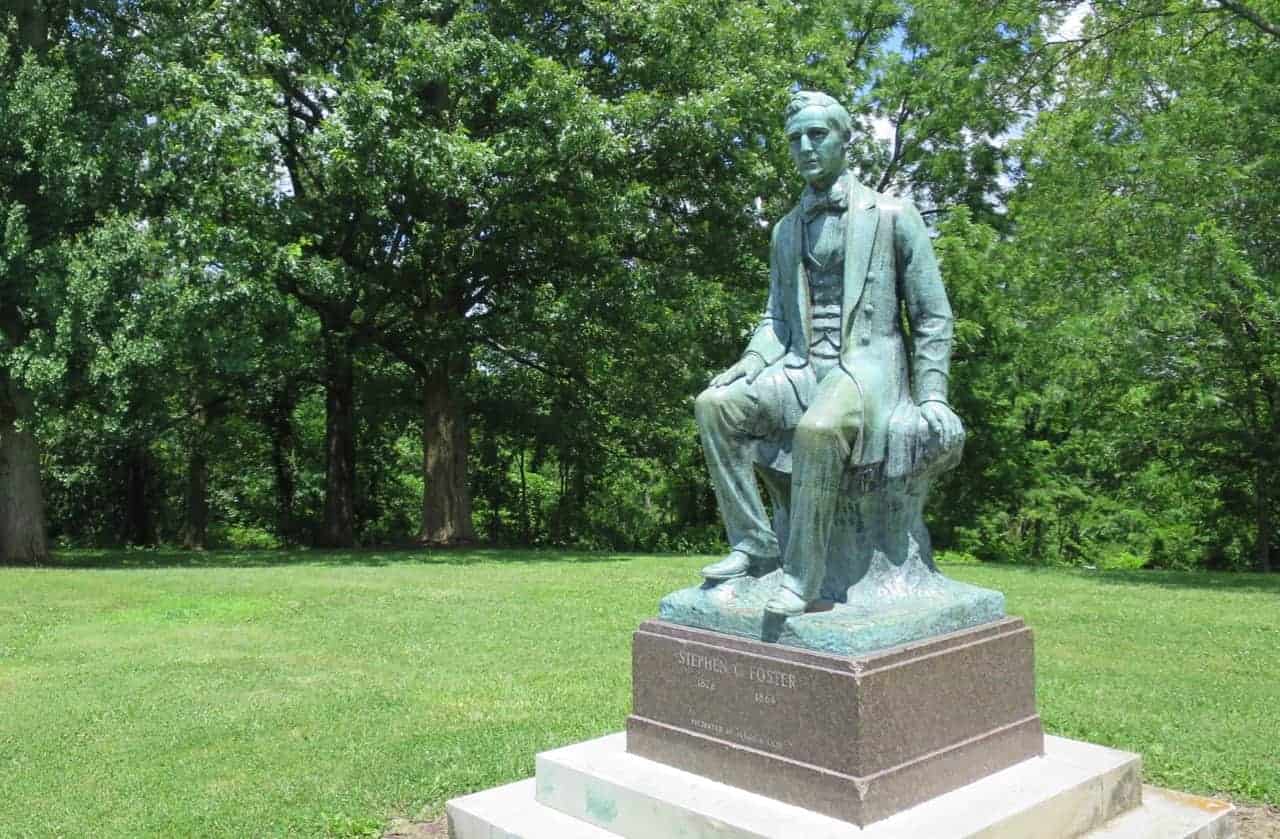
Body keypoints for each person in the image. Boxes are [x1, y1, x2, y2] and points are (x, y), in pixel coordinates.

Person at [695, 90, 963, 617]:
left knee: (817, 431)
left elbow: (932, 315)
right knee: (713, 405)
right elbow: (776, 319)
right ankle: (755, 543)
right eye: (795, 138)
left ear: (845, 139)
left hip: (867, 373)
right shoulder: (785, 229)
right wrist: (747, 365)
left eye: (817, 134)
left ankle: (803, 576)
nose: (805, 146)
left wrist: (933, 397)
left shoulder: (893, 215)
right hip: (801, 367)